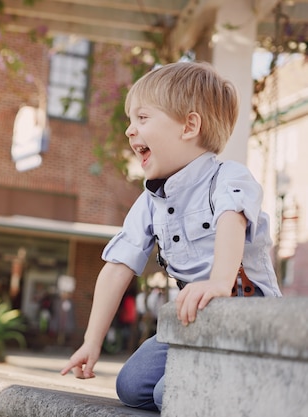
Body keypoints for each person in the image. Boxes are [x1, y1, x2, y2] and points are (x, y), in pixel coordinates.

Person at [60, 61, 282, 412]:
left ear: (189, 126)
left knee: (170, 394)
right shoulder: (150, 200)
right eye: (130, 121)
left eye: (143, 118)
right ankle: (218, 378)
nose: (131, 131)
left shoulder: (228, 177)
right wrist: (91, 340)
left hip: (245, 316)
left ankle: (258, 384)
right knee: (131, 387)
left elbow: (231, 221)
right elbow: (118, 266)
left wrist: (219, 284)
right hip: (192, 319)